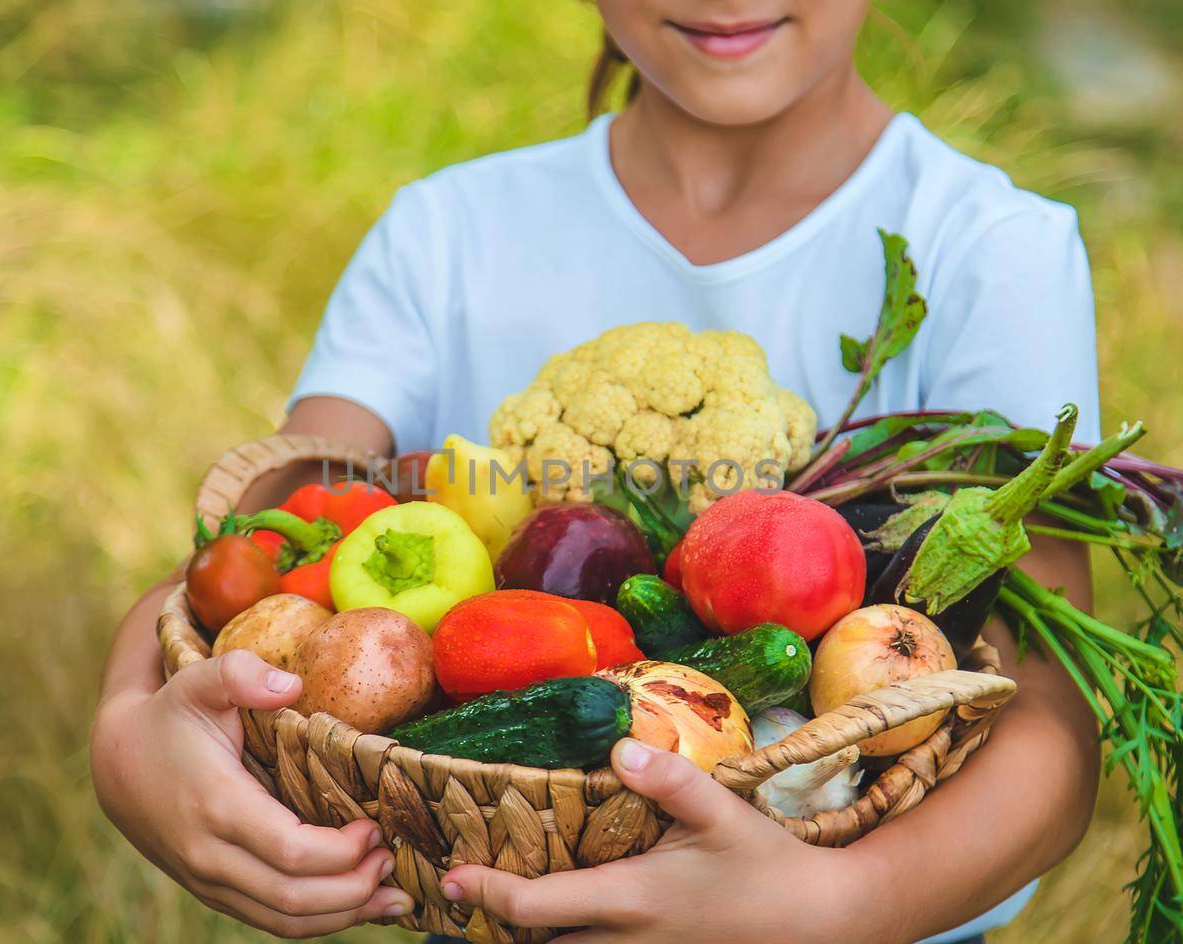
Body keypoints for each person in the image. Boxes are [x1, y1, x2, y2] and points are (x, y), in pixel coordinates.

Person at [90, 2, 1102, 941]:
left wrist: (833, 902)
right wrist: (127, 737)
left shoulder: (987, 251)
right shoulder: (447, 235)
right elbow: (259, 543)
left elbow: (1049, 724)